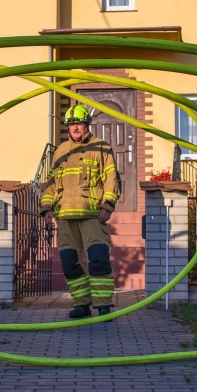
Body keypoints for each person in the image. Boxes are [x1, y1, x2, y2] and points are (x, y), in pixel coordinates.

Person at [40, 104, 121, 318]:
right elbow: (50, 183)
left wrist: (108, 205)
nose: (76, 128)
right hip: (65, 215)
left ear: (87, 125)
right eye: (72, 124)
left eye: (80, 123)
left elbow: (112, 179)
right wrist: (47, 208)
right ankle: (81, 304)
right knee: (69, 262)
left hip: (93, 213)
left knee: (98, 258)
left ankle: (103, 304)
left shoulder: (101, 147)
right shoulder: (60, 151)